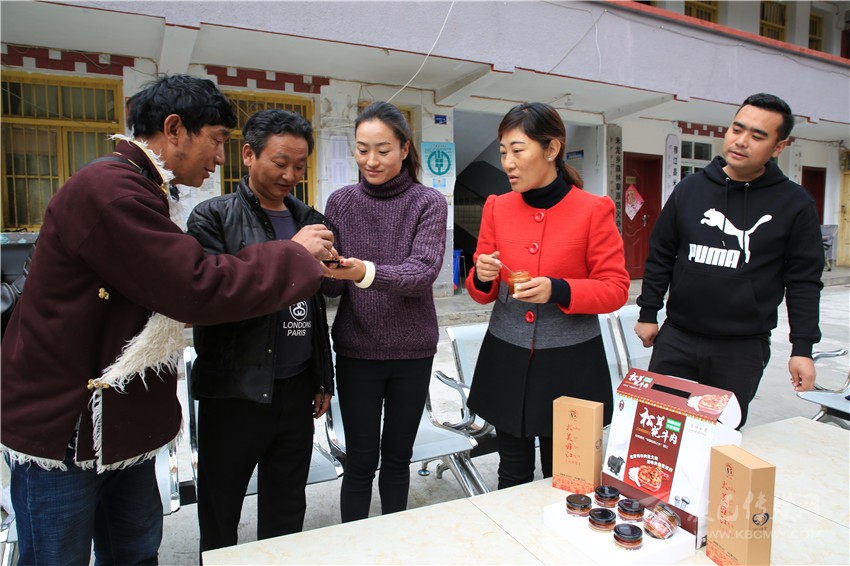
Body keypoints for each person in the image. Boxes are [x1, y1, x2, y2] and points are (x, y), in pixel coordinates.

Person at [0, 75, 335, 565]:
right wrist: (293, 255)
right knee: (59, 557)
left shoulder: (147, 188)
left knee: (135, 552)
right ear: (174, 129)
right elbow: (195, 287)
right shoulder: (112, 190)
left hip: (118, 423)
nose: (219, 157)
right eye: (216, 141)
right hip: (68, 424)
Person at [186, 109, 334, 551]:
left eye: (300, 166)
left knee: (287, 506)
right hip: (235, 393)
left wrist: (322, 378)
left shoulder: (310, 218)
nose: (290, 175)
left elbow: (320, 306)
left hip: (296, 388)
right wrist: (293, 254)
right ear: (248, 155)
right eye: (280, 162)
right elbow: (214, 298)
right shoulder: (211, 217)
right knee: (221, 508)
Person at [465, 102, 630, 490]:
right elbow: (481, 291)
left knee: (567, 478)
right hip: (507, 356)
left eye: (518, 150)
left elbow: (615, 288)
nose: (508, 163)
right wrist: (483, 276)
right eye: (503, 152)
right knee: (512, 472)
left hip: (570, 362)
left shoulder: (593, 210)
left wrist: (559, 289)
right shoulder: (496, 207)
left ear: (552, 149)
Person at [634, 92, 824, 428]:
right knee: (660, 431)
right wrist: (649, 312)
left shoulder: (794, 204)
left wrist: (803, 348)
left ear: (778, 147)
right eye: (737, 129)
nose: (741, 141)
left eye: (758, 136)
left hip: (741, 349)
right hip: (677, 338)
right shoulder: (690, 189)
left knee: (720, 438)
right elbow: (661, 253)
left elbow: (804, 281)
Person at [321, 101, 448, 522]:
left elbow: (421, 272)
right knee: (359, 460)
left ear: (405, 149)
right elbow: (331, 288)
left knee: (397, 456)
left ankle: (394, 540)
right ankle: (354, 542)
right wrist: (324, 267)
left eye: (382, 150)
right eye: (362, 150)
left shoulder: (428, 202)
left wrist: (364, 271)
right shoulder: (341, 202)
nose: (371, 160)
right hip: (357, 351)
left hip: (412, 352)